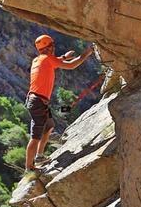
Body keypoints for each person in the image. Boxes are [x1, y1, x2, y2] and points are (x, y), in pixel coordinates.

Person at [25, 34, 94, 171]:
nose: (54, 48)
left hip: (36, 101)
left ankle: (39, 156)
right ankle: (29, 167)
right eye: (53, 45)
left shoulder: (38, 60)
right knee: (35, 136)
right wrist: (87, 53)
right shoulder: (48, 59)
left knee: (49, 126)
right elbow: (72, 65)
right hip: (38, 102)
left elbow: (53, 62)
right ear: (49, 47)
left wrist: (63, 57)